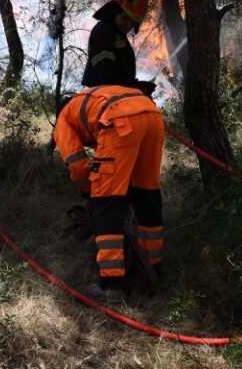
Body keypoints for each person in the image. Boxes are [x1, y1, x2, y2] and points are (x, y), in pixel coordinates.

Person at [53, 85, 165, 300]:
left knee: (106, 202)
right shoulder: (91, 101)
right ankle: (152, 269)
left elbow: (78, 165)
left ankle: (113, 286)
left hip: (120, 120)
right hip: (152, 115)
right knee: (147, 194)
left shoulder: (63, 119)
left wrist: (90, 195)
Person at [81, 0, 156, 97]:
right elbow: (106, 78)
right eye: (125, 18)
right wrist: (136, 88)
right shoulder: (104, 32)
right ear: (116, 11)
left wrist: (137, 86)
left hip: (112, 98)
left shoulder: (117, 34)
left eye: (133, 23)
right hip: (101, 99)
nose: (128, 25)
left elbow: (120, 76)